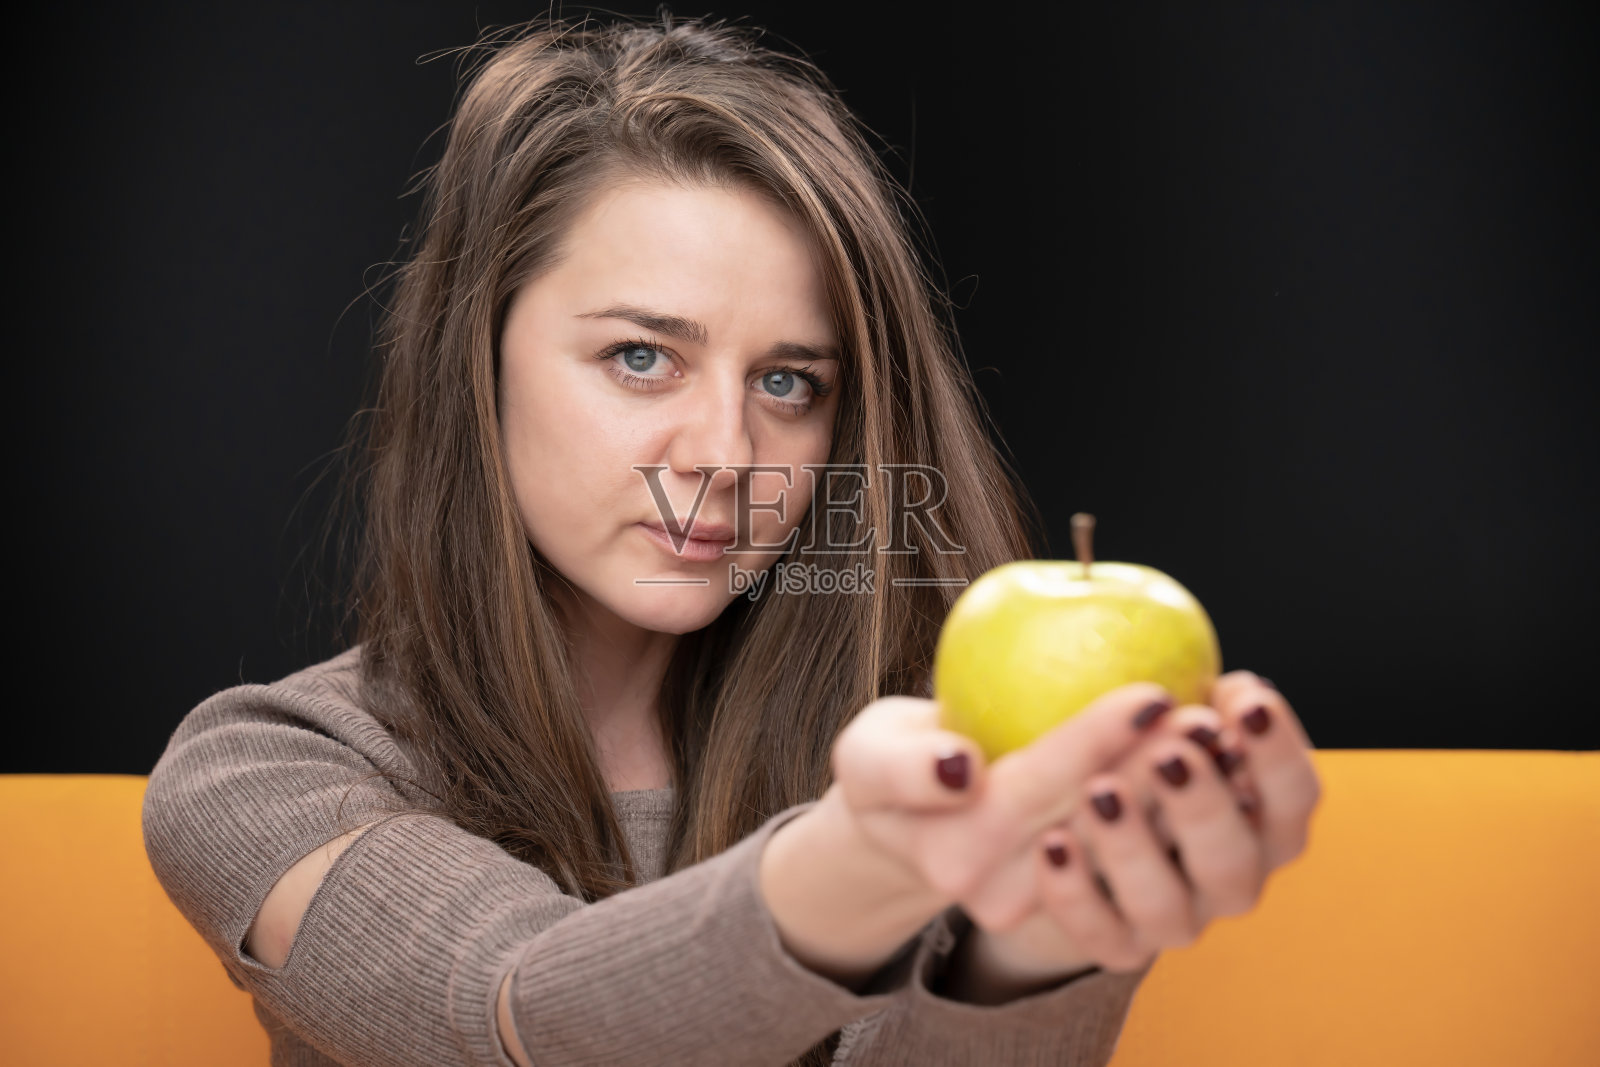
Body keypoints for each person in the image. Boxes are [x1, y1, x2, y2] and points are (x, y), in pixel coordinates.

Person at [141, 12, 1322, 1067]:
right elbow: (521, 1013)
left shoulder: (923, 746)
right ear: (477, 362)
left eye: (789, 381)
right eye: (641, 356)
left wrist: (1040, 935)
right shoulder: (265, 770)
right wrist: (864, 861)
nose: (724, 449)